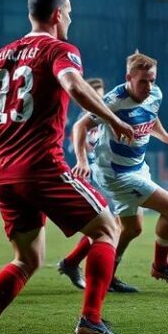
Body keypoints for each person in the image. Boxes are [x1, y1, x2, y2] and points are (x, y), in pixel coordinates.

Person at [0, 0, 136, 334]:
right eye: (69, 13)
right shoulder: (59, 49)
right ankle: (91, 321)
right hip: (41, 165)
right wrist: (112, 119)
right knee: (108, 229)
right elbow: (75, 86)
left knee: (27, 259)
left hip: (2, 172)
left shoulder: (2, 55)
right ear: (57, 15)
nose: (70, 18)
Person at [60, 52, 168, 295]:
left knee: (131, 228)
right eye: (143, 81)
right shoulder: (112, 101)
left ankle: (93, 271)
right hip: (114, 173)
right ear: (128, 77)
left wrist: (163, 135)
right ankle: (160, 266)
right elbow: (80, 126)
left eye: (152, 80)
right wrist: (81, 161)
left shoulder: (155, 94)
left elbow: (151, 116)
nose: (148, 86)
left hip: (137, 167)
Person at [57, 77, 116, 291]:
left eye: (101, 94)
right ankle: (79, 267)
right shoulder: (83, 122)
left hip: (106, 175)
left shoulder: (105, 116)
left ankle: (72, 263)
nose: (99, 98)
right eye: (94, 93)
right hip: (88, 177)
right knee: (106, 226)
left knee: (108, 225)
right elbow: (77, 147)